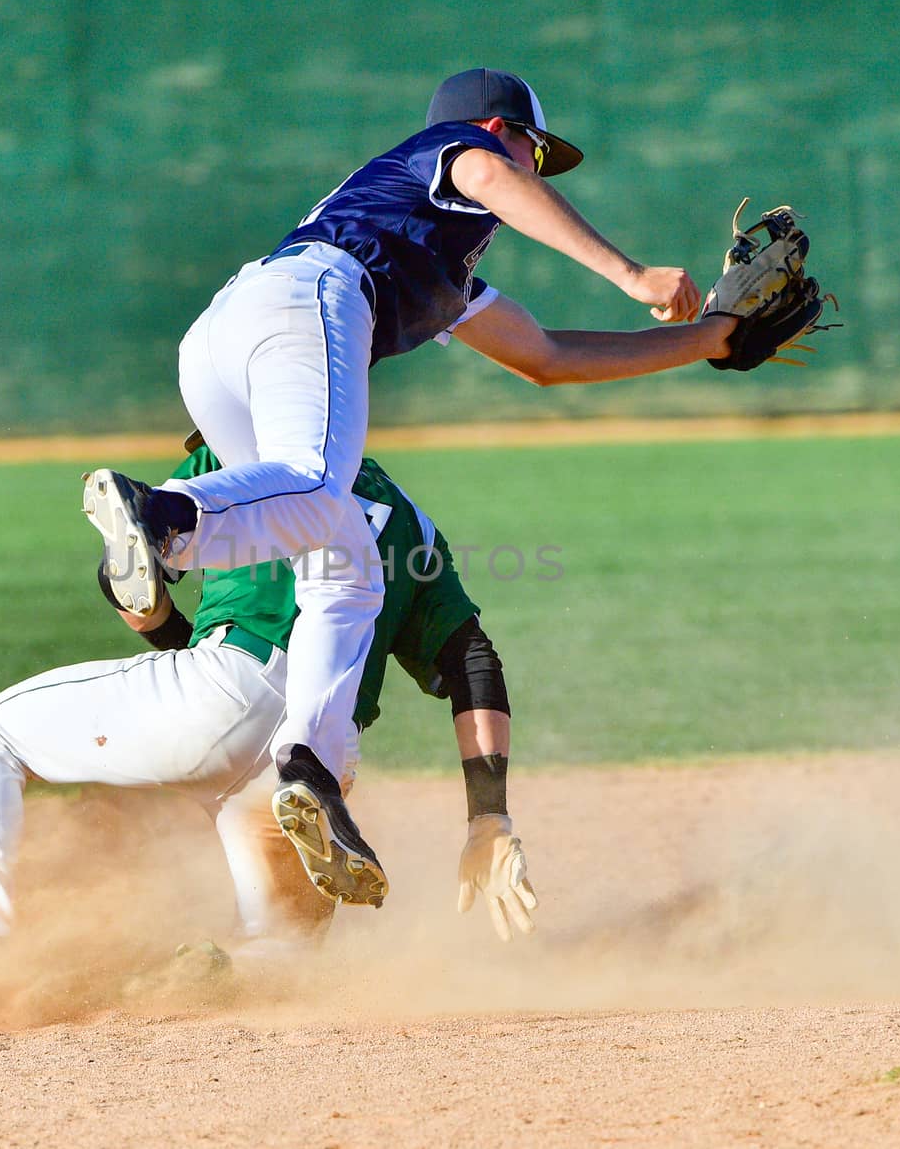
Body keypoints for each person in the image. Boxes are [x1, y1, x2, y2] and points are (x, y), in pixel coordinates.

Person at [86, 67, 737, 908]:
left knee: (339, 553)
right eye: (540, 154)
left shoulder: (429, 254)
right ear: (505, 130)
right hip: (310, 298)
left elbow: (548, 359)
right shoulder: (459, 152)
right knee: (321, 490)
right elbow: (487, 176)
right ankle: (165, 521)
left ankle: (307, 768)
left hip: (224, 337)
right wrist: (631, 274)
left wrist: (710, 343)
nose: (537, 174)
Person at [0, 442, 536, 953]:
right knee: (282, 950)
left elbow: (130, 576)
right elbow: (471, 663)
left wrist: (149, 612)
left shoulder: (229, 452)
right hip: (322, 752)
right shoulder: (410, 520)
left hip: (228, 689)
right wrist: (489, 818)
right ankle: (226, 971)